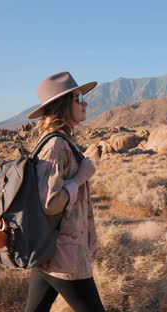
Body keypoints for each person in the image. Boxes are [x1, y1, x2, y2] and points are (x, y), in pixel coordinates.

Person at [24, 72, 105, 312]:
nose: (85, 102)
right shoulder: (56, 145)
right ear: (62, 105)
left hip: (53, 250)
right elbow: (50, 202)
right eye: (78, 98)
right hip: (65, 253)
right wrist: (81, 177)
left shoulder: (62, 142)